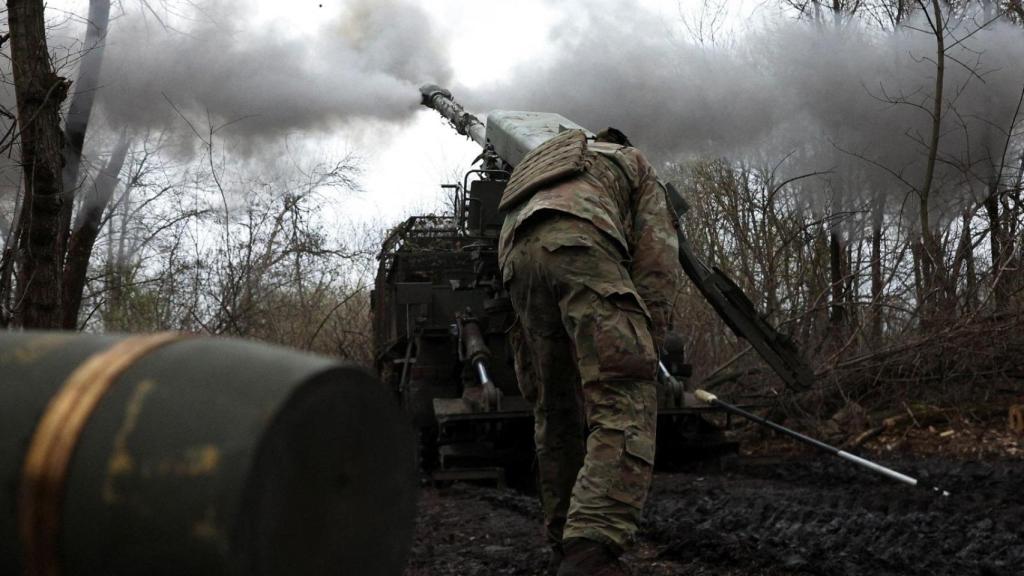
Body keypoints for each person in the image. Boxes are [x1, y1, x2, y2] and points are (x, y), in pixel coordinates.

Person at [498, 127, 682, 575]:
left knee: (556, 411)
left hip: (513, 252)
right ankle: (592, 551)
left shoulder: (546, 166)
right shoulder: (633, 162)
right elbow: (657, 260)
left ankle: (565, 545)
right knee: (623, 398)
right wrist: (644, 346)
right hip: (580, 238)